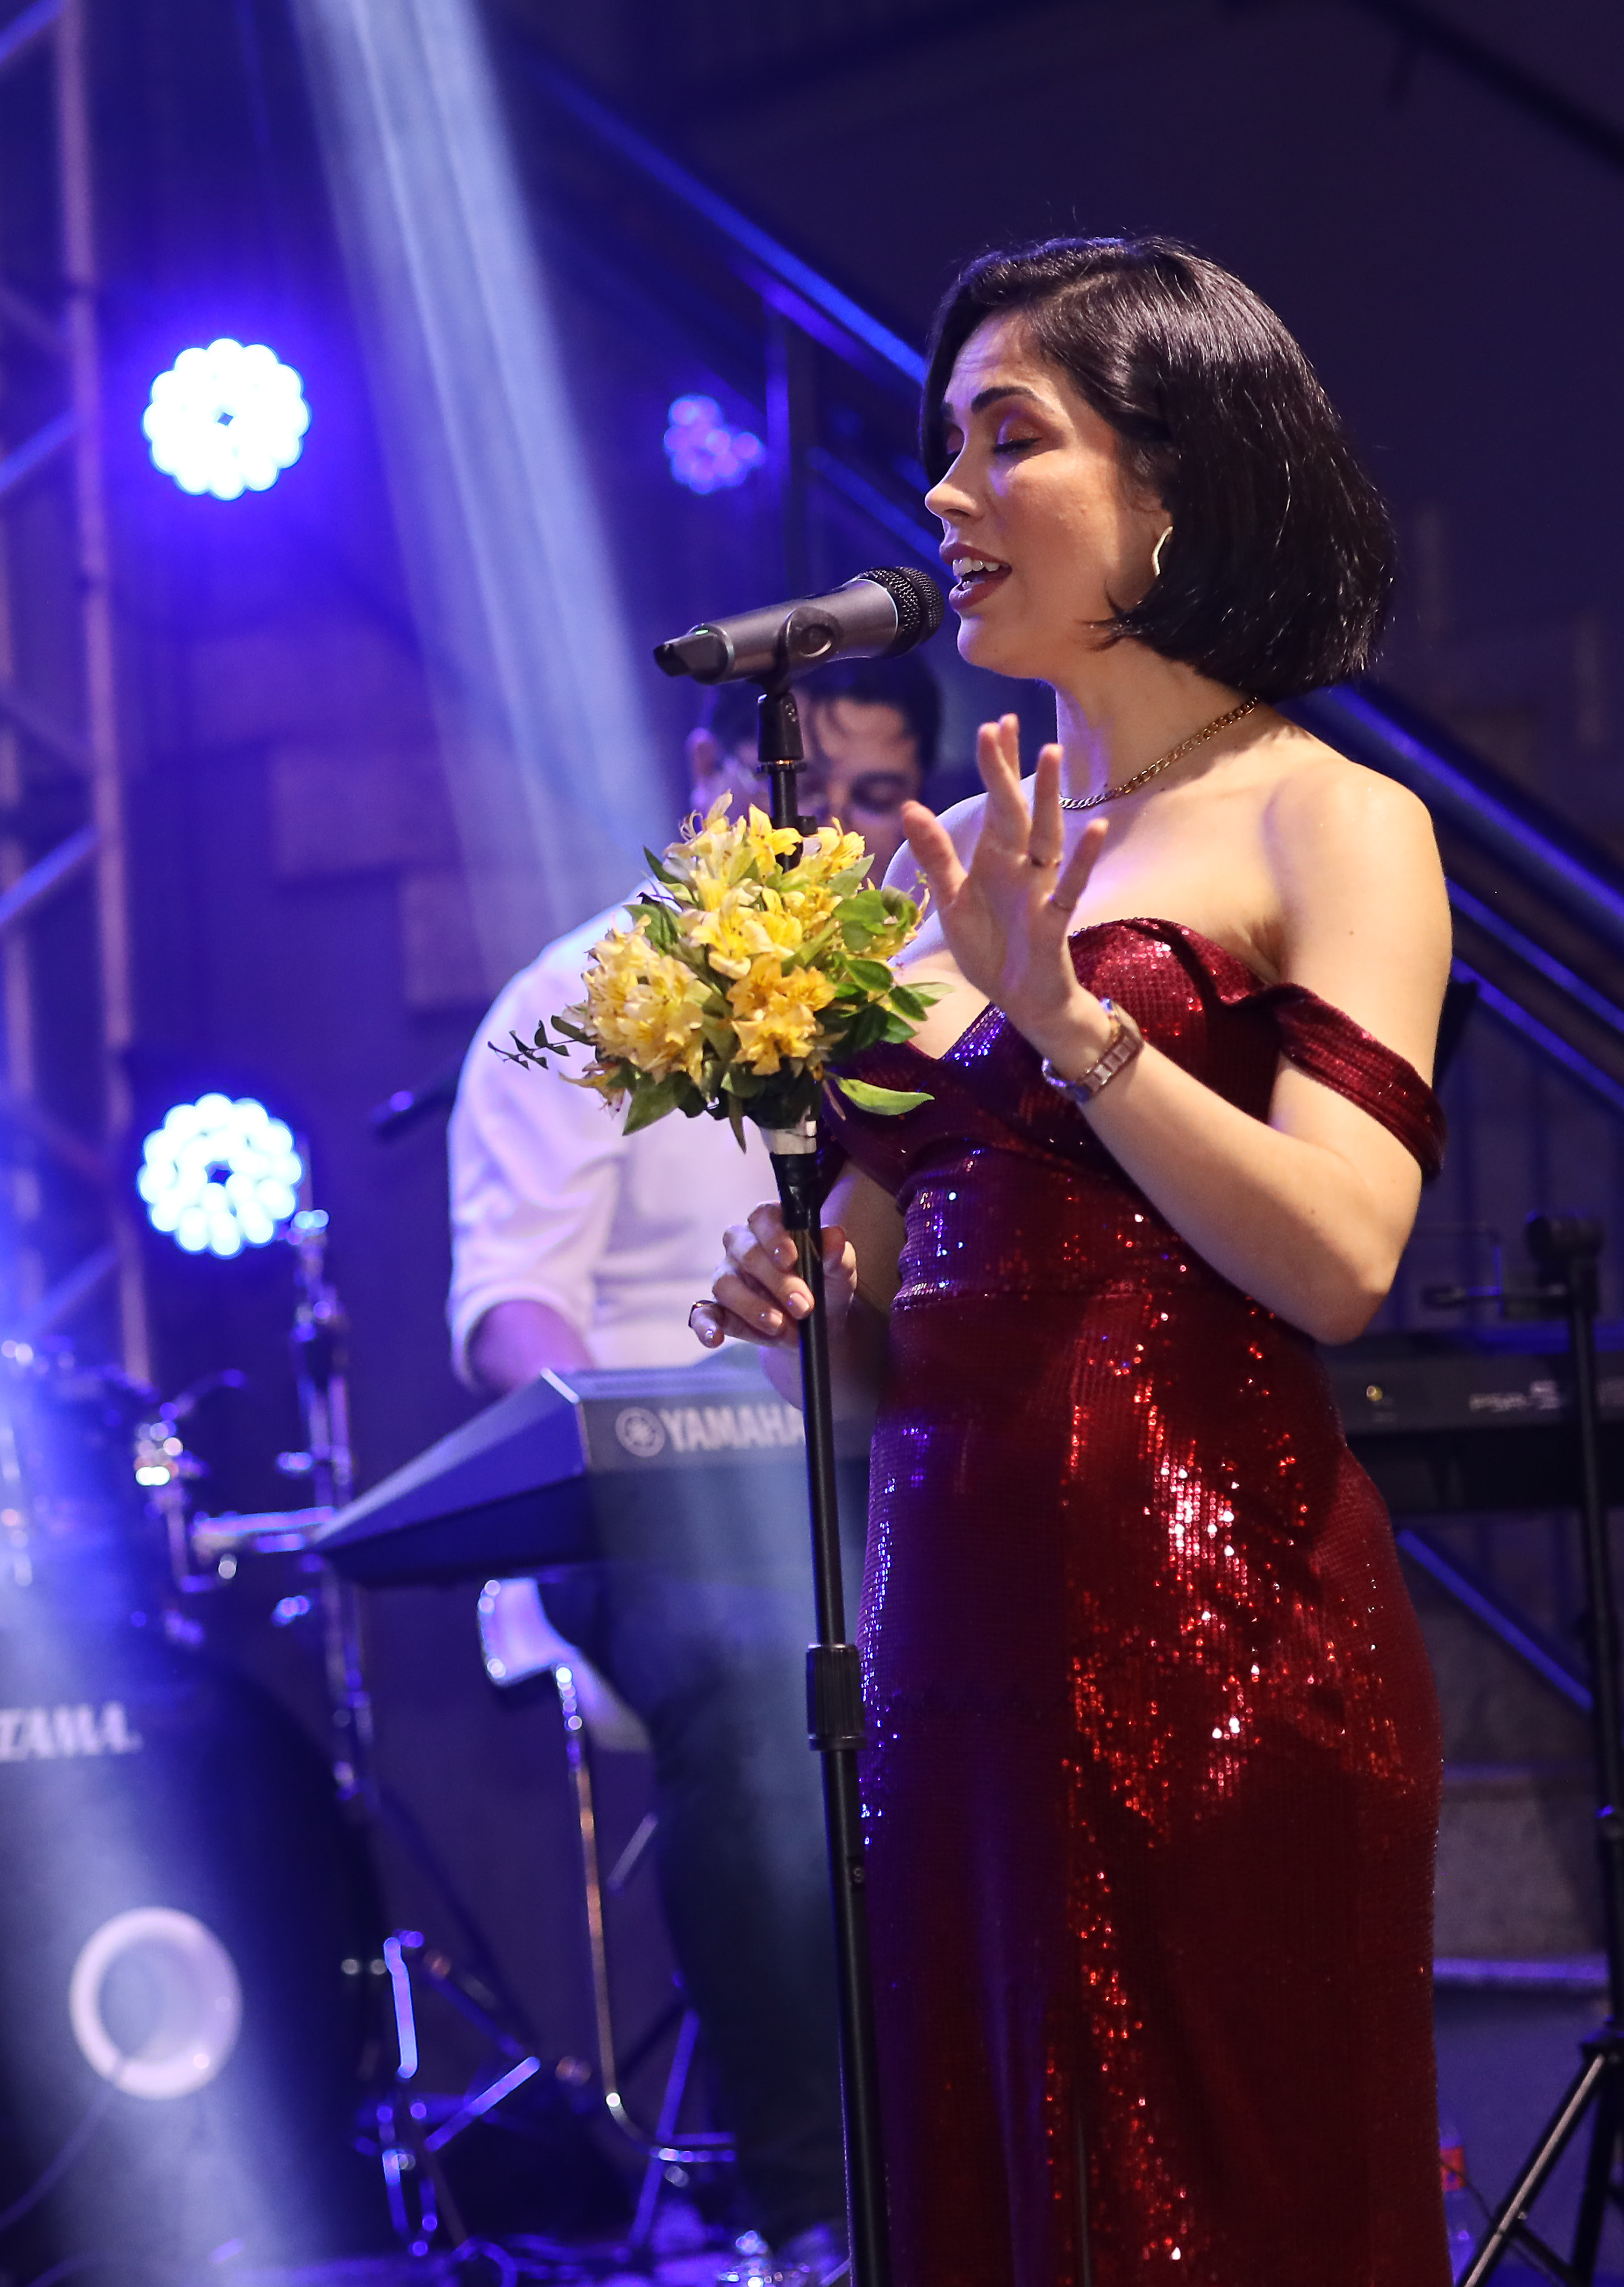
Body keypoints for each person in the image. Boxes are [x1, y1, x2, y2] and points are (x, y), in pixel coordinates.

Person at [699, 236, 1448, 2284]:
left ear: (1175, 479)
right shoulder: (949, 871)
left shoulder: (1327, 819)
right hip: (949, 1661)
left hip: (1220, 1647)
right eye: (944, 445)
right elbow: (876, 1340)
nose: (946, 495)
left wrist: (1075, 1024)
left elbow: (1343, 1260)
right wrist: (800, 1312)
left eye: (1007, 438)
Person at [446, 652, 933, 2261]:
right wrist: (644, 1437)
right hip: (656, 1517)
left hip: (892, 1474)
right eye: (808, 789)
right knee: (756, 1668)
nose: (836, 831)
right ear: (712, 777)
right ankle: (817, 2209)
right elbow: (513, 1309)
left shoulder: (940, 986)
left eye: (877, 797)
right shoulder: (577, 998)